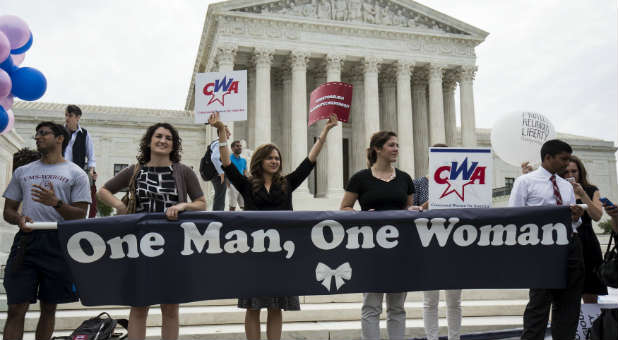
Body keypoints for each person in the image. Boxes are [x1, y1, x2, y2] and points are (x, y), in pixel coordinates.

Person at [209, 112, 338, 340]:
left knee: (276, 305)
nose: (275, 161)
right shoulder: (247, 185)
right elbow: (227, 163)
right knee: (252, 305)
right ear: (260, 161)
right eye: (270, 157)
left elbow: (309, 162)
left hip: (281, 252)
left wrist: (325, 131)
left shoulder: (287, 183)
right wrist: (221, 131)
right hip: (254, 251)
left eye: (277, 158)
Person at [97, 122, 206, 340]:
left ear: (174, 145)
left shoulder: (183, 171)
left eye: (168, 138)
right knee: (139, 306)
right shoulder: (135, 170)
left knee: (171, 308)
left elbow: (202, 202)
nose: (163, 141)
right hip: (140, 246)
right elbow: (103, 191)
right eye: (159, 136)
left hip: (173, 246)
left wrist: (183, 206)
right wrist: (120, 207)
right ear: (149, 141)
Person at [2, 122, 91, 340]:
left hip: (58, 242)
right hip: (27, 241)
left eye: (43, 133)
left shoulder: (76, 173)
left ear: (60, 138)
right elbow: (8, 211)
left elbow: (81, 214)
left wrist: (57, 203)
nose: (38, 137)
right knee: (16, 308)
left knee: (49, 307)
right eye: (37, 134)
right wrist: (19, 218)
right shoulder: (23, 171)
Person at [339, 130, 417, 340]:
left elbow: (408, 209)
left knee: (397, 307)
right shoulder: (360, 178)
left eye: (397, 145)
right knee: (371, 305)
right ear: (378, 149)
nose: (396, 149)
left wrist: (411, 211)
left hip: (400, 249)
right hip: (371, 248)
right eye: (391, 145)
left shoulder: (405, 179)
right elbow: (345, 208)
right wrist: (361, 216)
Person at [508, 139, 585, 340]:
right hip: (542, 248)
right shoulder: (524, 182)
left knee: (569, 305)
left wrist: (575, 218)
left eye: (569, 160)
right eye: (563, 159)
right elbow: (514, 217)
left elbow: (573, 224)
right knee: (539, 304)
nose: (567, 165)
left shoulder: (566, 186)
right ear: (548, 157)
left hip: (570, 247)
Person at [411, 143, 462, 340]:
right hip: (428, 246)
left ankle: (454, 337)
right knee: (430, 300)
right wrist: (434, 200)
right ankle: (431, 337)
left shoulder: (461, 183)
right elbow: (412, 214)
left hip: (455, 246)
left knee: (454, 300)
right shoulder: (418, 184)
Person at [562, 155, 607, 303]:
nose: (570, 175)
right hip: (565, 240)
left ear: (580, 171)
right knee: (565, 293)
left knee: (590, 290)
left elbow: (597, 216)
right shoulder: (557, 190)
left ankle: (590, 325)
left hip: (587, 241)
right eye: (566, 172)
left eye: (574, 171)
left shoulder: (591, 189)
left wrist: (582, 195)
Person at [64, 104, 98, 218]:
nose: (67, 118)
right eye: (66, 115)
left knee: (78, 201)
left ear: (78, 117)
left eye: (70, 115)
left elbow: (91, 156)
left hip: (77, 173)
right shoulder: (59, 132)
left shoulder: (85, 134)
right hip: (61, 171)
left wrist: (91, 172)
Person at [210, 126, 231, 211]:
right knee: (220, 197)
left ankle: (218, 215)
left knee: (220, 196)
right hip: (218, 174)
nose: (230, 134)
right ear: (223, 133)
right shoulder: (218, 143)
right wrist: (221, 173)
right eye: (228, 132)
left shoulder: (218, 143)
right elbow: (214, 157)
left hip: (217, 174)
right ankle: (217, 217)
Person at [228, 140, 248, 211]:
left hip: (242, 185)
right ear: (232, 148)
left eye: (240, 146)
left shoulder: (244, 160)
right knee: (232, 206)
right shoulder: (228, 159)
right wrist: (228, 184)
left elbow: (245, 172)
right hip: (233, 184)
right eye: (237, 146)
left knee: (244, 206)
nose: (239, 147)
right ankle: (229, 221)